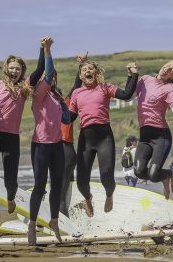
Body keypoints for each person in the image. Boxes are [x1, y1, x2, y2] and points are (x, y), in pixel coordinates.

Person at [0, 43, 45, 220]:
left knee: (11, 181)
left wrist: (42, 48)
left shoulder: (24, 87)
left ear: (22, 70)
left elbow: (40, 69)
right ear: (6, 69)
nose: (14, 71)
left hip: (11, 138)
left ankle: (10, 198)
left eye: (18, 68)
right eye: (11, 68)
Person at [69, 59, 138, 217]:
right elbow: (69, 117)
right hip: (85, 139)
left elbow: (127, 95)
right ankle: (88, 199)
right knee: (81, 182)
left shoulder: (105, 87)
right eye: (84, 69)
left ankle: (109, 195)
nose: (88, 71)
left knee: (106, 174)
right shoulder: (76, 93)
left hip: (104, 137)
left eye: (91, 68)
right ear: (80, 75)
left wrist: (132, 75)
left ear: (96, 72)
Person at [28, 37, 69, 245]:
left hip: (57, 146)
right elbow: (49, 71)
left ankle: (54, 221)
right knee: (39, 185)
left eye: (53, 79)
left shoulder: (55, 97)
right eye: (48, 78)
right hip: (41, 146)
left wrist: (63, 104)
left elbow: (67, 120)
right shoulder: (38, 94)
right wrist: (47, 50)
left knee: (57, 185)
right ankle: (32, 224)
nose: (51, 79)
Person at [133, 60, 173, 199]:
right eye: (168, 64)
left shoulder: (170, 87)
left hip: (161, 137)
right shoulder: (145, 80)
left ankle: (169, 173)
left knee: (154, 175)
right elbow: (129, 96)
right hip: (144, 138)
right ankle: (166, 176)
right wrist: (132, 75)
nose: (168, 67)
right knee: (138, 171)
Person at [59, 53, 85, 217]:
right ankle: (66, 217)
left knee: (63, 189)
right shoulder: (43, 108)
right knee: (64, 186)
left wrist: (81, 65)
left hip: (65, 148)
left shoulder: (65, 104)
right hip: (59, 149)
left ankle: (63, 220)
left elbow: (76, 85)